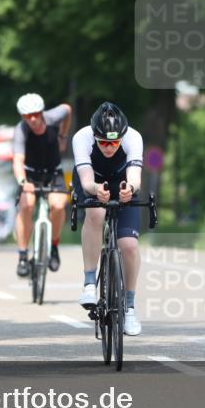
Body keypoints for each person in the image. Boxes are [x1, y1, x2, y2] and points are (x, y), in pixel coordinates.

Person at [72, 102, 144, 336]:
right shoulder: (82, 137)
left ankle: (130, 308)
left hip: (123, 182)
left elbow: (135, 177)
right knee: (96, 212)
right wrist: (95, 189)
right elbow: (85, 181)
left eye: (115, 142)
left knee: (129, 246)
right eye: (104, 142)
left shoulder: (133, 137)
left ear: (122, 136)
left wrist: (129, 189)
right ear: (95, 136)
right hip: (93, 180)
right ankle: (90, 283)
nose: (110, 147)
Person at [12, 93, 72, 277]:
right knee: (27, 205)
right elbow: (17, 160)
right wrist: (23, 182)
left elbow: (68, 109)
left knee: (59, 205)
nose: (32, 119)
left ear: (41, 112)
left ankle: (53, 246)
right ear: (23, 117)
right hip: (30, 174)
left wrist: (63, 135)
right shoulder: (21, 130)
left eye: (35, 114)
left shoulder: (53, 118)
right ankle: (23, 255)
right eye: (27, 116)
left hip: (53, 172)